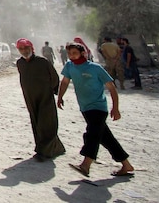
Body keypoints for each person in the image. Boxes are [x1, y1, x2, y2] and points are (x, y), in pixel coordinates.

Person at [57, 42, 134, 177]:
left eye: (74, 53)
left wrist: (115, 108)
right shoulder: (69, 66)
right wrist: (60, 97)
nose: (71, 56)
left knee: (91, 135)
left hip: (98, 107)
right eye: (69, 53)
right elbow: (64, 82)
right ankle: (126, 164)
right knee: (106, 138)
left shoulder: (95, 68)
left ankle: (86, 165)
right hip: (85, 108)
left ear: (82, 53)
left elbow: (112, 88)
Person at [15, 38, 65, 161]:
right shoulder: (20, 63)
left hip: (45, 97)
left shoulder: (42, 61)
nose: (24, 51)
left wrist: (52, 91)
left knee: (47, 122)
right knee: (36, 122)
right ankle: (55, 147)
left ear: (31, 48)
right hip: (30, 98)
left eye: (26, 48)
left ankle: (44, 152)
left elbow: (54, 78)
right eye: (21, 49)